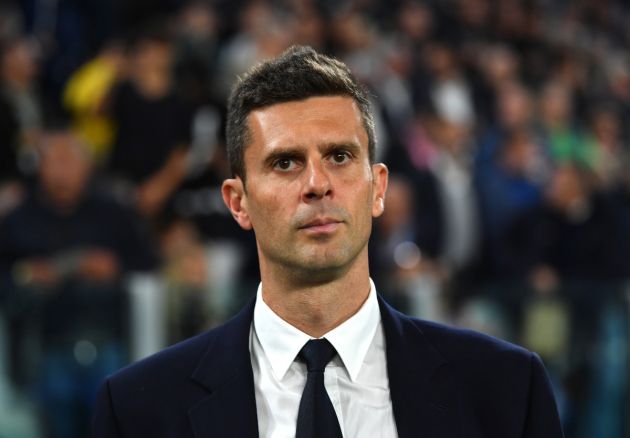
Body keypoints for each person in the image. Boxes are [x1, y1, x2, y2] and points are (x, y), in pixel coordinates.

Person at [92, 46, 564, 438]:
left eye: (339, 156)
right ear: (239, 202)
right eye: (285, 163)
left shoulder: (505, 390)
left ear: (378, 188)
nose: (317, 183)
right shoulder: (139, 411)